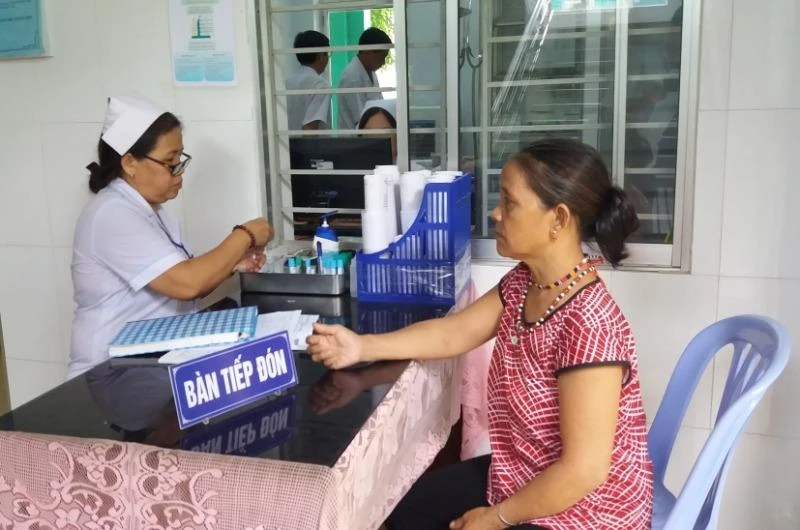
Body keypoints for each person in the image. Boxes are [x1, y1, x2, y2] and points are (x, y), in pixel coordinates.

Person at [307, 138, 653, 530]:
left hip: (588, 511)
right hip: (522, 472)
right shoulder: (527, 282)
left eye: (510, 202)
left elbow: (583, 471)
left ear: (558, 219)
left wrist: (495, 518)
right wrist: (361, 346)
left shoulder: (589, 324)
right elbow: (453, 333)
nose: (495, 213)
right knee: (401, 511)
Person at [69, 95, 273, 378]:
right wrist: (245, 235)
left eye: (180, 160)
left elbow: (179, 277)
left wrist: (231, 265)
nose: (179, 173)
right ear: (130, 163)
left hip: (143, 364)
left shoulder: (150, 210)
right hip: (107, 373)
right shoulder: (112, 214)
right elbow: (188, 283)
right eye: (169, 163)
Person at [337, 27, 392, 129]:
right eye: (381, 57)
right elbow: (361, 118)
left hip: (371, 132)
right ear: (367, 51)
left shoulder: (371, 72)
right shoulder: (352, 76)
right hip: (356, 136)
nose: (383, 62)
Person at [285, 30, 332, 130]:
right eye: (327, 54)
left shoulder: (287, 83)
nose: (328, 59)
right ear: (320, 56)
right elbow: (310, 128)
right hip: (310, 140)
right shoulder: (321, 86)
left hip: (287, 139)